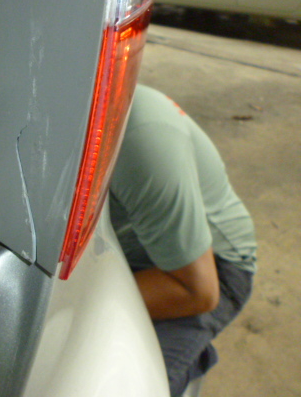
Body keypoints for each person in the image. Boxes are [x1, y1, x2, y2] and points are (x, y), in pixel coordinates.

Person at [109, 85, 257, 397]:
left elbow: (197, 291)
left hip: (207, 268)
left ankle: (186, 356)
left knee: (121, 382)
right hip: (127, 249)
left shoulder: (136, 137)